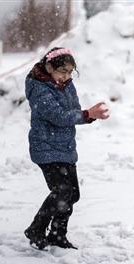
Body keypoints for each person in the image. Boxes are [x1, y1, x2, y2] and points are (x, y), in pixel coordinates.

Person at [23, 47, 110, 250]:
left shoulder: (66, 85)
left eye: (70, 72)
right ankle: (36, 228)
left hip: (65, 147)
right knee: (62, 191)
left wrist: (89, 116)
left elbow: (72, 111)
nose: (67, 76)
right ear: (49, 66)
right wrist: (87, 114)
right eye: (63, 71)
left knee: (72, 194)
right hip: (46, 147)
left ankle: (57, 235)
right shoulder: (39, 88)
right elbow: (59, 116)